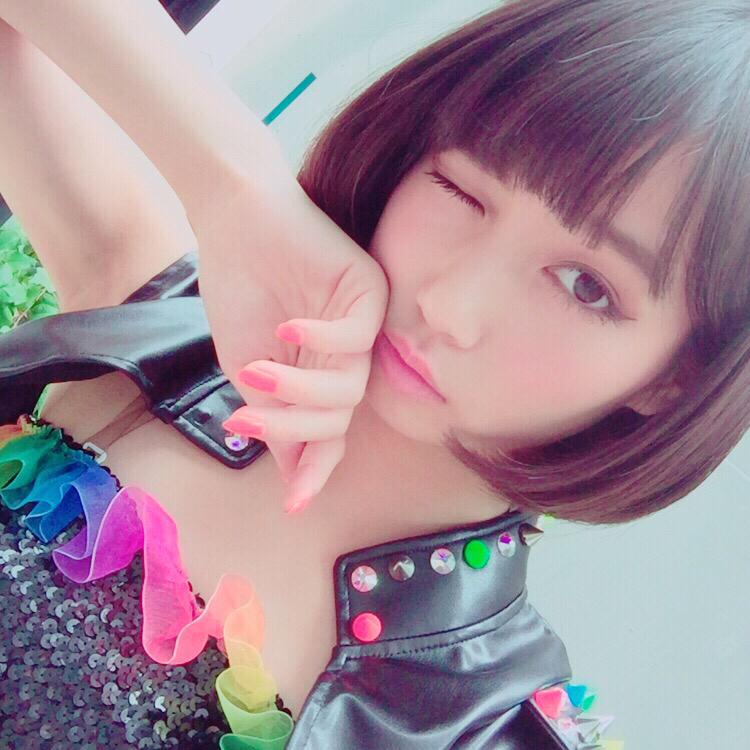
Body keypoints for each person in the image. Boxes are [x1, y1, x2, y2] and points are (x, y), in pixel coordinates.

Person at [0, 0, 748, 746]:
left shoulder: (484, 728)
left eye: (586, 286)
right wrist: (237, 187)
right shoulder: (171, 342)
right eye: (461, 189)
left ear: (675, 379)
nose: (450, 305)